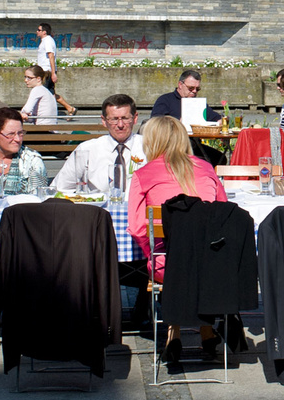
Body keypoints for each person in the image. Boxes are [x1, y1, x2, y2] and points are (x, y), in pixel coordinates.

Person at [127, 115, 226, 362]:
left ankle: (174, 331)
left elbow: (138, 228)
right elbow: (223, 213)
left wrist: (154, 254)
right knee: (191, 263)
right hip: (210, 262)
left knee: (174, 265)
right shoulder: (206, 169)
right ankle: (205, 330)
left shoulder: (143, 174)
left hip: (167, 263)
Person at [52, 94, 146, 195]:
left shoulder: (149, 147)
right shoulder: (87, 149)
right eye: (114, 119)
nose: (120, 125)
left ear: (135, 118)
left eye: (125, 118)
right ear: (104, 121)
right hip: (97, 208)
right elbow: (60, 188)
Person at [150, 69, 221, 123]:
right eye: (191, 88)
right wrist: (178, 122)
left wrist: (220, 121)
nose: (194, 91)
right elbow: (155, 122)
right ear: (180, 85)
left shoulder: (197, 103)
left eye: (197, 89)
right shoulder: (165, 100)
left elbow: (215, 117)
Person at [36, 21, 76, 117]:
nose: (37, 31)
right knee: (50, 93)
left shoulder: (48, 41)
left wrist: (53, 73)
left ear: (44, 32)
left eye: (39, 30)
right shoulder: (45, 41)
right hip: (45, 71)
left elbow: (51, 56)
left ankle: (49, 114)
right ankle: (70, 108)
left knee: (44, 93)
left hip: (47, 72)